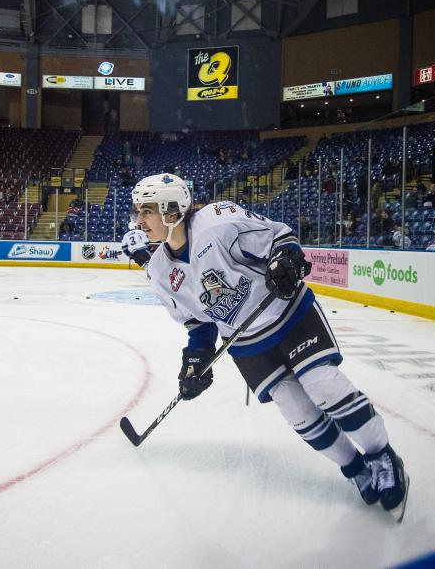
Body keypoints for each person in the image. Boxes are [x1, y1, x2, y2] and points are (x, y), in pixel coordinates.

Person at [130, 173, 408, 519]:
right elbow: (198, 323)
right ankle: (355, 468)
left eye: (147, 211)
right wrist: (196, 360)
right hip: (247, 342)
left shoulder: (218, 221)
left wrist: (285, 261)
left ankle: (382, 457)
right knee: (296, 409)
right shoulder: (159, 271)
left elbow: (279, 237)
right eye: (139, 212)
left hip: (288, 313)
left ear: (172, 211)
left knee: (323, 384)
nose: (140, 221)